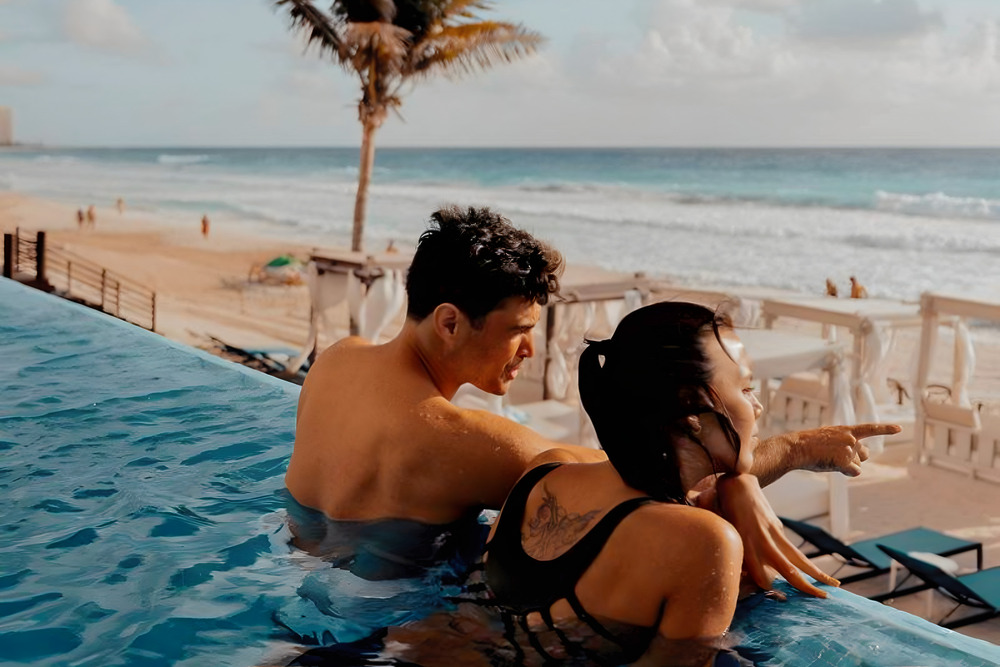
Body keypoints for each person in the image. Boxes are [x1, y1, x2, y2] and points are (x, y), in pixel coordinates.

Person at [286, 206, 897, 579]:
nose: (529, 350)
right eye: (519, 331)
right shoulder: (464, 444)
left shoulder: (337, 361)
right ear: (449, 322)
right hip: (388, 639)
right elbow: (651, 477)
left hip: (301, 587)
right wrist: (791, 451)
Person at [483, 303, 840, 665]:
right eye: (747, 389)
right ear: (691, 413)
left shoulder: (544, 472)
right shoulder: (703, 540)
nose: (758, 407)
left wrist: (740, 482)